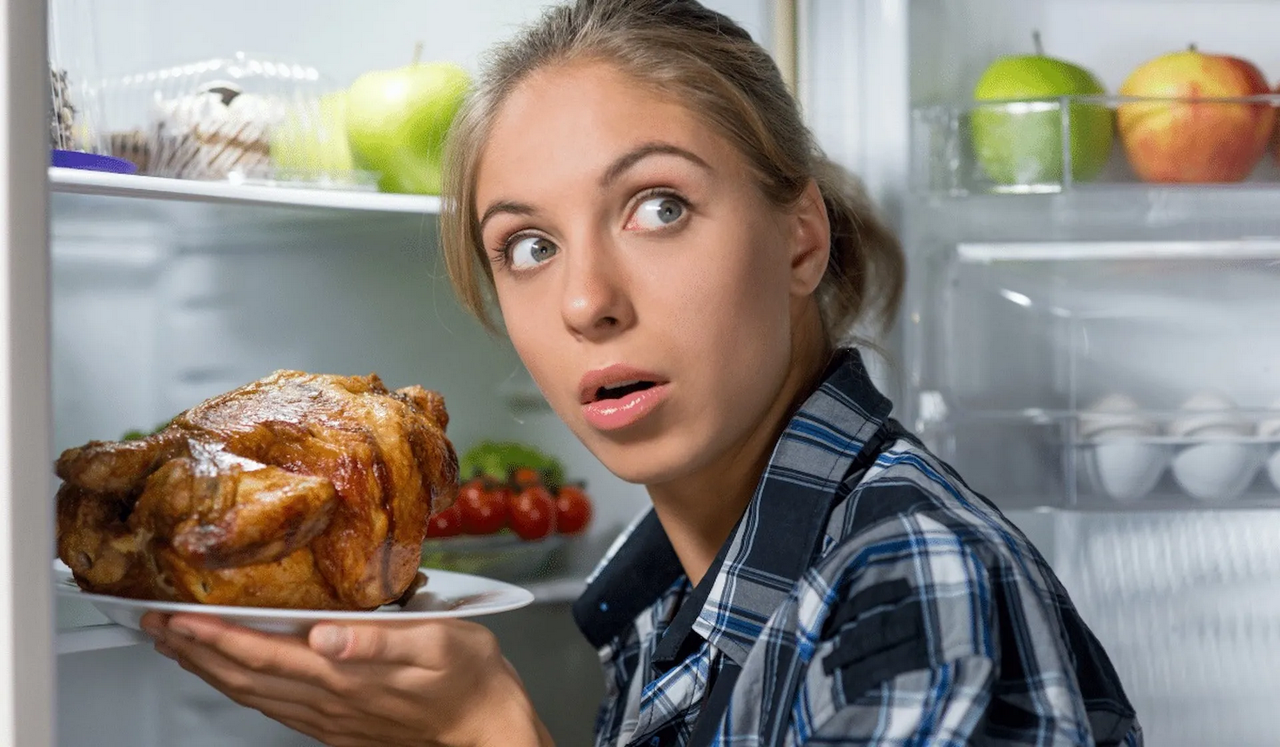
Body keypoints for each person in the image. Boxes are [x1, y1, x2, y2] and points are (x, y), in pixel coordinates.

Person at [140, 1, 1142, 745]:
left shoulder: (908, 585)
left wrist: (485, 731)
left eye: (657, 206)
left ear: (798, 238)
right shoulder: (674, 592)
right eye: (526, 246)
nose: (585, 302)